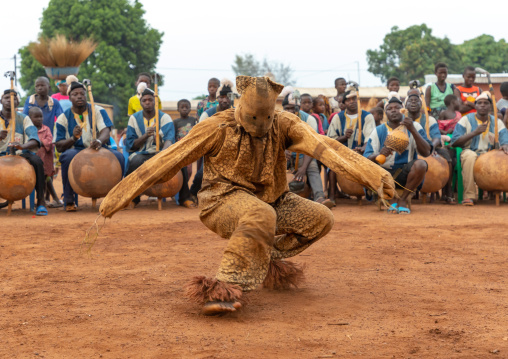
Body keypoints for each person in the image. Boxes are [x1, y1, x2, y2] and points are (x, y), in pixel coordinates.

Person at [98, 75, 395, 315]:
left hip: (275, 199)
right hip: (221, 200)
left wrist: (374, 175)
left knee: (322, 218)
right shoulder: (215, 126)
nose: (260, 125)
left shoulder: (285, 124)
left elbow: (326, 148)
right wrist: (119, 195)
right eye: (253, 118)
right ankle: (224, 287)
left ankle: (262, 258)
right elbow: (171, 157)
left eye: (266, 118)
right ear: (241, 108)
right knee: (259, 214)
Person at [54, 76, 124, 212]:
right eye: (75, 94)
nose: (79, 96)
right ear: (69, 98)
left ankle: (116, 198)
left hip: (99, 147)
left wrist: (99, 141)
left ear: (86, 95)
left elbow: (105, 130)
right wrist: (73, 138)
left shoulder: (98, 110)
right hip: (76, 150)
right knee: (67, 157)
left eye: (82, 94)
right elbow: (59, 145)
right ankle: (69, 200)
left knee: (119, 157)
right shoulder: (63, 118)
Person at [364, 94, 431, 214]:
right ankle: (391, 198)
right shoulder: (378, 130)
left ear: (404, 110)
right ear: (385, 113)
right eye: (389, 109)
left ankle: (402, 200)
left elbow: (426, 152)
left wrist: (413, 131)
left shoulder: (414, 126)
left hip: (406, 175)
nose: (393, 110)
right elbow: (366, 158)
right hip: (384, 176)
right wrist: (378, 154)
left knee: (421, 164)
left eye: (397, 107)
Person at [450, 92, 508, 206]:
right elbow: (455, 142)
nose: (482, 105)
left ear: (490, 106)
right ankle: (469, 196)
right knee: (470, 156)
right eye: (479, 103)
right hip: (470, 153)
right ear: (475, 106)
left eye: (485, 103)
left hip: (491, 156)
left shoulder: (497, 122)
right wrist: (474, 133)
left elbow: (505, 138)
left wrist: (505, 145)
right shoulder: (465, 120)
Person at [124, 88, 176, 206]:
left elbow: (169, 140)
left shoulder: (164, 118)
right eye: (144, 100)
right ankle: (133, 198)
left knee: (180, 163)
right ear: (141, 103)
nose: (147, 102)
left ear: (155, 102)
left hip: (161, 153)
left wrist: (162, 154)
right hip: (141, 154)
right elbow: (131, 144)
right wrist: (145, 136)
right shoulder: (133, 119)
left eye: (150, 100)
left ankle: (184, 197)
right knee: (135, 161)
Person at [0, 88, 48, 216]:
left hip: (21, 155)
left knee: (37, 162)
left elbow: (34, 139)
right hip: (1, 156)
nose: (11, 100)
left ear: (17, 102)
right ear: (1, 100)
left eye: (14, 98)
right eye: (7, 98)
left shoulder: (24, 118)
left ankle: (41, 202)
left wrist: (22, 146)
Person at [327, 87, 376, 202]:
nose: (352, 101)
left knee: (372, 159)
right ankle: (332, 196)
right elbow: (330, 140)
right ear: (343, 103)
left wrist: (363, 148)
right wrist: (344, 137)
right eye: (348, 100)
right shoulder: (337, 118)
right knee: (331, 162)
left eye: (354, 98)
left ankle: (370, 192)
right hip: (342, 153)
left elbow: (370, 138)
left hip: (362, 153)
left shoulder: (367, 116)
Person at [405, 88, 454, 203]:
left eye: (416, 101)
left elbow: (436, 137)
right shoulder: (402, 119)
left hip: (428, 148)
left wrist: (431, 148)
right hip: (407, 150)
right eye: (410, 101)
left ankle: (448, 192)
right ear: (405, 105)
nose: (413, 103)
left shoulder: (429, 119)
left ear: (421, 104)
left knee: (448, 158)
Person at [191, 80, 235, 199]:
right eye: (221, 97)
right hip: (211, 152)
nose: (224, 100)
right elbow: (200, 134)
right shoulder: (207, 114)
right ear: (217, 98)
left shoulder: (238, 113)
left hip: (232, 153)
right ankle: (193, 194)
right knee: (201, 175)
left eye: (227, 97)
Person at [292, 92, 333, 208]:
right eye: (287, 108)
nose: (290, 111)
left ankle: (319, 197)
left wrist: (303, 168)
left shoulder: (309, 119)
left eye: (292, 108)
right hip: (286, 156)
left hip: (305, 154)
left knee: (313, 167)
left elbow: (312, 145)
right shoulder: (280, 118)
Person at [29, 107, 63, 208]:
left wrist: (38, 142)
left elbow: (50, 141)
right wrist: (40, 142)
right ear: (30, 118)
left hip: (46, 159)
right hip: (35, 159)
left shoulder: (46, 129)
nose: (39, 119)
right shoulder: (29, 129)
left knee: (46, 178)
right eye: (36, 117)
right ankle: (45, 199)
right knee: (41, 179)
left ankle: (47, 199)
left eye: (41, 116)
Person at [173, 99, 198, 208]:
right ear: (178, 109)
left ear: (189, 109)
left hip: (191, 150)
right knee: (182, 172)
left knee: (189, 172)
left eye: (186, 107)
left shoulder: (193, 120)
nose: (184, 109)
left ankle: (184, 192)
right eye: (182, 107)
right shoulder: (176, 122)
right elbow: (173, 136)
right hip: (180, 151)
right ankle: (180, 195)